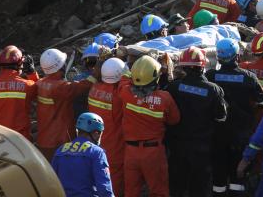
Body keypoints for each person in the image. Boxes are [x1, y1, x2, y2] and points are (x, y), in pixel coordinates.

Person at [206, 38, 263, 196]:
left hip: (217, 132)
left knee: (218, 172)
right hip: (241, 132)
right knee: (237, 175)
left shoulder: (210, 76)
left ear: (219, 57)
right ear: (237, 56)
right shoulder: (248, 77)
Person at [167, 47, 227, 197]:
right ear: (202, 66)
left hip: (177, 146)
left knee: (177, 185)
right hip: (202, 147)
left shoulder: (174, 87)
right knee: (200, 186)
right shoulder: (213, 90)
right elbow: (221, 117)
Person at [119, 55, 180, 197]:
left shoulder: (125, 92)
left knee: (131, 192)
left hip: (131, 152)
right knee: (158, 191)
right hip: (153, 153)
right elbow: (174, 120)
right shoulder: (165, 98)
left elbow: (124, 78)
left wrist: (134, 65)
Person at [37, 48, 97, 161]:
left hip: (43, 139)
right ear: (61, 66)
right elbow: (83, 86)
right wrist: (95, 74)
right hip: (60, 141)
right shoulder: (60, 87)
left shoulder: (40, 83)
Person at [88, 57, 127, 195]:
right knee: (114, 184)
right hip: (114, 147)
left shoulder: (94, 88)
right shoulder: (119, 94)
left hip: (95, 144)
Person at [51, 112, 113, 197]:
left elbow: (51, 182)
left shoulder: (61, 150)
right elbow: (104, 189)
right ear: (96, 133)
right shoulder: (97, 152)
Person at [0, 45, 38, 140]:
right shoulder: (28, 85)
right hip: (20, 141)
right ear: (20, 64)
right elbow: (42, 91)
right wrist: (32, 73)